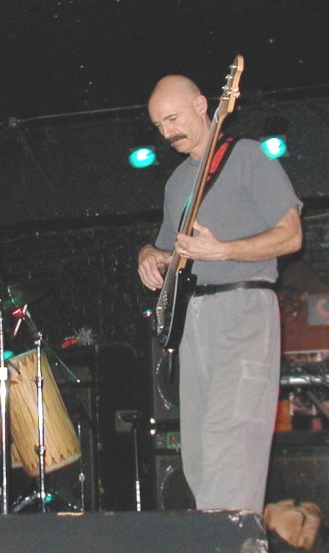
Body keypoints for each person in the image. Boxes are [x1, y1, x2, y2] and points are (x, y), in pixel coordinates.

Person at [137, 75, 303, 513]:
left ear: (201, 105)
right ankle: (217, 537)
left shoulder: (249, 157)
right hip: (193, 321)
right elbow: (171, 251)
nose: (168, 132)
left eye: (173, 118)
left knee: (232, 441)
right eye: (159, 125)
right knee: (197, 452)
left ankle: (229, 546)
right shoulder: (177, 182)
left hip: (243, 307)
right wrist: (148, 254)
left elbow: (291, 236)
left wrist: (224, 250)